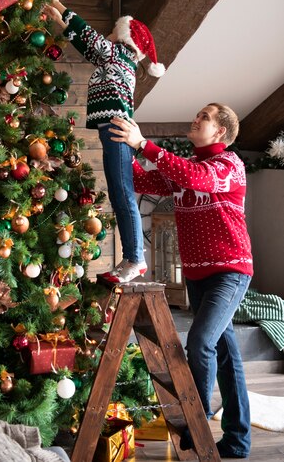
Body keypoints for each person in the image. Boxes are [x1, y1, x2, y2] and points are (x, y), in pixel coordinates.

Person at [109, 104, 253, 458]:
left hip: (230, 271)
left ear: (220, 132)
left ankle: (197, 418)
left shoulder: (228, 166)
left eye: (204, 117)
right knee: (226, 355)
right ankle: (237, 441)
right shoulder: (187, 169)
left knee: (201, 342)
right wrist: (119, 147)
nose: (196, 119)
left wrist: (144, 144)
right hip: (196, 275)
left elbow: (196, 178)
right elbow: (142, 180)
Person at [44, 0, 165, 283]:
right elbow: (90, 45)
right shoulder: (113, 59)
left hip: (117, 131)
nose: (108, 34)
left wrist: (61, 15)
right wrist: (60, 5)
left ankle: (135, 259)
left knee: (122, 194)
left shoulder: (119, 54)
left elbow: (87, 37)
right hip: (111, 130)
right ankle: (135, 257)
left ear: (126, 39)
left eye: (113, 30)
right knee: (120, 192)